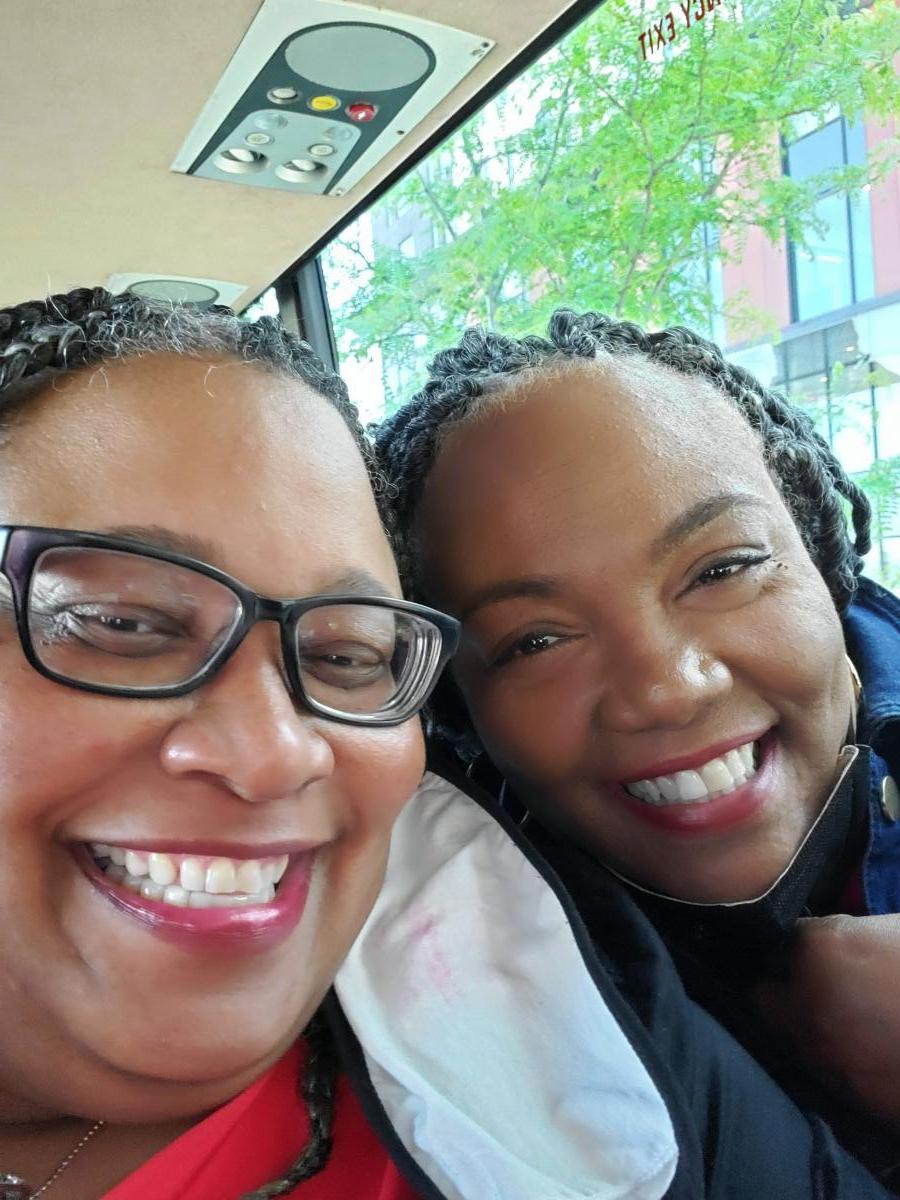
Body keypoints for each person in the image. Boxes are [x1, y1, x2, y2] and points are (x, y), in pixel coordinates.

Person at [0, 288, 892, 1200]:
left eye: (343, 653)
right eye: (119, 622)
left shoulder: (585, 1034)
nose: (276, 753)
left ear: (828, 565)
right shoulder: (537, 947)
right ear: (461, 716)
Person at [374, 309, 900, 1182]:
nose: (665, 688)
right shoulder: (489, 1011)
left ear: (823, 559)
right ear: (460, 713)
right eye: (536, 641)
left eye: (722, 569)